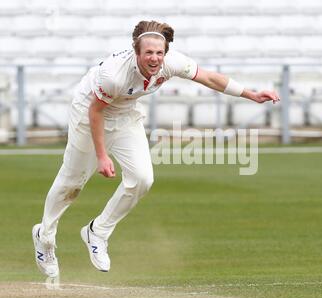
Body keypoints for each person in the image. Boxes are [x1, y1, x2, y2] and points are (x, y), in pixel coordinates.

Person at [32, 20, 280, 277]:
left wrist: (251, 94)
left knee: (142, 179)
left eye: (159, 53)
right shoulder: (114, 75)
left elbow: (209, 78)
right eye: (148, 53)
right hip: (89, 114)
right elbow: (96, 111)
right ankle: (45, 236)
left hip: (127, 115)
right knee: (72, 182)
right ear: (136, 52)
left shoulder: (171, 62)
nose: (154, 58)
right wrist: (102, 155)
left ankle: (97, 232)